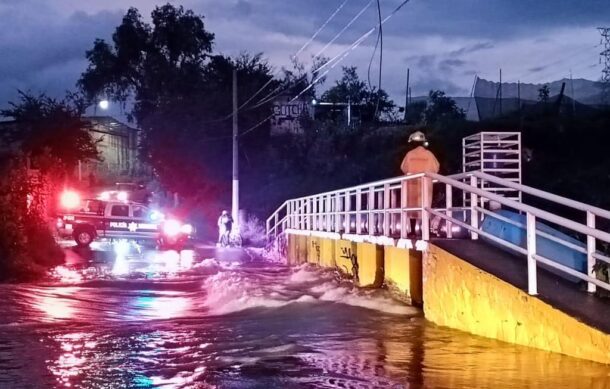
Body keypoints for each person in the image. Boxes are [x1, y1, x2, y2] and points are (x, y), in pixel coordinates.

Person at [400, 131, 440, 238]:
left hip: (412, 185)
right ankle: (425, 230)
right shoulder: (429, 155)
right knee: (425, 207)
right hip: (426, 185)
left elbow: (403, 168)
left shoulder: (409, 155)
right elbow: (436, 168)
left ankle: (412, 231)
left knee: (412, 208)